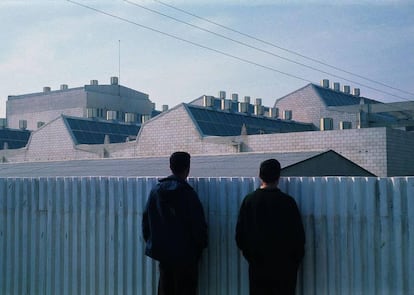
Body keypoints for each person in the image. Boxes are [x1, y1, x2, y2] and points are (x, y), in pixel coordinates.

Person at [235, 159, 305, 295]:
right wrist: (292, 263)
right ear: (278, 177)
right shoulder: (288, 203)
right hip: (284, 271)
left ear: (260, 176)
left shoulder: (249, 201)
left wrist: (252, 257)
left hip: (258, 268)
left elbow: (240, 236)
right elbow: (298, 238)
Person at [142, 151, 208, 295]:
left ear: (170, 167)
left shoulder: (156, 191)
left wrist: (155, 246)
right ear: (187, 168)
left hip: (165, 257)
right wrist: (199, 249)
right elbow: (198, 227)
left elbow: (147, 223)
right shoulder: (188, 194)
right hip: (186, 258)